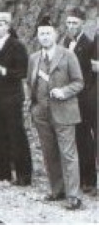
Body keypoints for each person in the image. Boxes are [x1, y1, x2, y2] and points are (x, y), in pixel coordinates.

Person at [28, 16, 84, 210]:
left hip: (64, 112)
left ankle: (73, 195)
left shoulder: (67, 55)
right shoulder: (34, 58)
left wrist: (63, 92)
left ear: (56, 35)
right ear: (37, 36)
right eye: (41, 33)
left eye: (48, 33)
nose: (44, 37)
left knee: (68, 154)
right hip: (41, 113)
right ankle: (56, 190)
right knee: (49, 152)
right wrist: (34, 108)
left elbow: (79, 82)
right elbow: (31, 84)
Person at [0, 10, 32, 187]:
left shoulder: (16, 45)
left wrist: (3, 71)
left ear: (8, 26)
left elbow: (23, 71)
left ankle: (23, 175)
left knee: (16, 133)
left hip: (11, 96)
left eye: (1, 24)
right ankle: (2, 172)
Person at [61, 7, 97, 194]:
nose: (71, 26)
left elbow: (90, 75)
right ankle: (76, 176)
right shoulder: (66, 41)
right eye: (68, 23)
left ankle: (89, 179)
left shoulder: (89, 44)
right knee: (72, 137)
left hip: (82, 98)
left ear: (82, 23)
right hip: (68, 97)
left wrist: (81, 92)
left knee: (84, 138)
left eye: (75, 23)